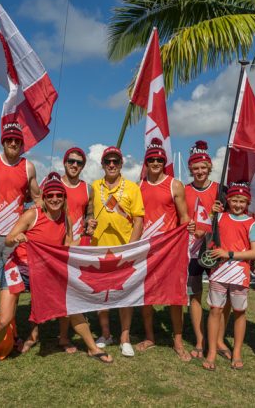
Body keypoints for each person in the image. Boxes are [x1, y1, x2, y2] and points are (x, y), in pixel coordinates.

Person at [0, 172, 112, 372]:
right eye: (50, 195)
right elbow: (8, 239)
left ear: (64, 198)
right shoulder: (32, 215)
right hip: (18, 268)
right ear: (44, 197)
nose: (55, 199)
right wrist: (18, 237)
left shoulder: (65, 219)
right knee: (5, 318)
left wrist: (85, 234)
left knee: (72, 308)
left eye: (59, 195)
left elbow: (67, 245)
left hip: (44, 270)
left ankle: (93, 348)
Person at [0, 123, 41, 336]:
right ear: (3, 142)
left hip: (14, 237)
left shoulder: (28, 167)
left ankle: (10, 331)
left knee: (13, 287)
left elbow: (38, 197)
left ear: (22, 144)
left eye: (17, 141)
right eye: (9, 140)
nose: (13, 143)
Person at [138, 138, 194, 361]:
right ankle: (150, 337)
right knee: (147, 297)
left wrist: (185, 234)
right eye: (151, 159)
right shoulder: (139, 186)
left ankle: (178, 341)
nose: (155, 162)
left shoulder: (175, 185)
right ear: (146, 162)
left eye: (159, 159)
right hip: (146, 251)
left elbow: (184, 217)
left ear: (164, 162)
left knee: (175, 297)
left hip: (171, 251)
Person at [91, 146, 144, 357]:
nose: (112, 165)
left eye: (115, 161)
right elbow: (86, 213)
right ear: (102, 165)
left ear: (121, 164)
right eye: (108, 162)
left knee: (125, 294)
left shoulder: (132, 188)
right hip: (99, 249)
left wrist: (131, 247)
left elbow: (139, 220)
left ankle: (125, 337)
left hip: (124, 249)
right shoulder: (94, 186)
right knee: (102, 294)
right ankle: (105, 333)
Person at [203, 182, 255, 371]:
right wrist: (211, 214)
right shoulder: (219, 217)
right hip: (218, 272)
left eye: (242, 201)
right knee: (215, 310)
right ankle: (211, 351)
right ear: (228, 200)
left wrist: (230, 254)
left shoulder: (252, 223)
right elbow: (205, 235)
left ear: (247, 202)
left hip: (239, 274)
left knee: (239, 312)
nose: (237, 205)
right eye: (234, 200)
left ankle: (236, 352)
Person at [184, 140, 232, 362]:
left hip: (214, 251)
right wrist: (188, 225)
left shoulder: (220, 190)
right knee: (194, 295)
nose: (200, 171)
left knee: (218, 299)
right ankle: (200, 340)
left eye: (203, 167)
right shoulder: (184, 190)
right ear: (190, 169)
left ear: (210, 167)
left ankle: (219, 339)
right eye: (196, 168)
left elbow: (233, 220)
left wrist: (218, 213)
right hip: (192, 251)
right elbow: (179, 219)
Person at [57, 147, 93, 354]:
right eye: (71, 161)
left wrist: (90, 223)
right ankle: (34, 334)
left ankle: (64, 336)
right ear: (64, 162)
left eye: (79, 163)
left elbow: (89, 213)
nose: (74, 165)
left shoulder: (88, 189)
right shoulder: (54, 183)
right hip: (55, 246)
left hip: (78, 247)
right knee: (47, 292)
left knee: (73, 292)